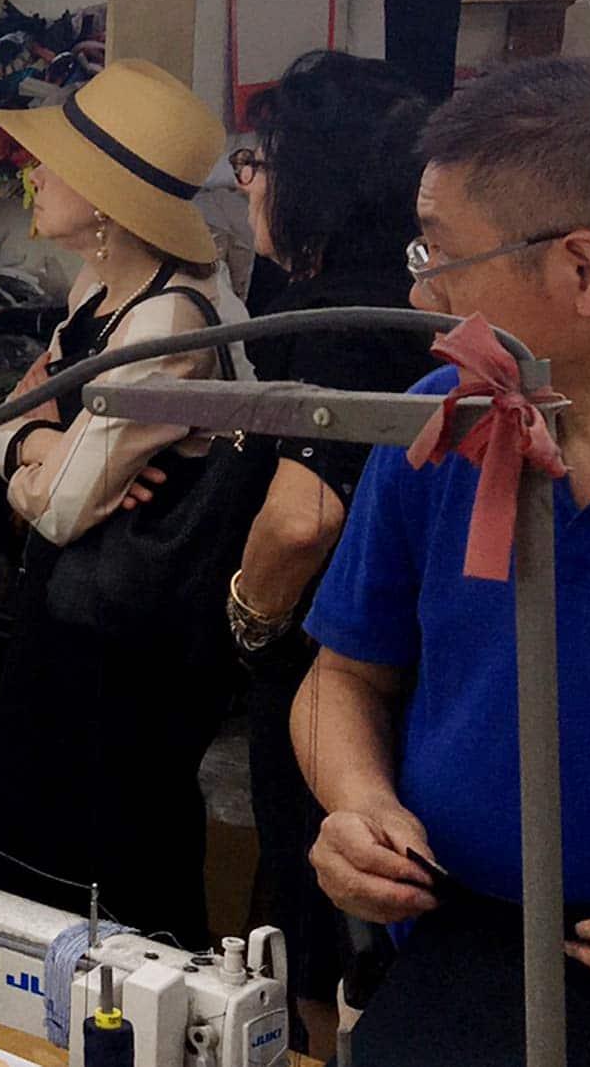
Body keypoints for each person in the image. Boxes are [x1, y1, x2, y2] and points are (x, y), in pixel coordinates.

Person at [296, 59, 590, 1050]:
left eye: (439, 252)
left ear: (584, 269)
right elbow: (342, 676)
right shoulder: (446, 427)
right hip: (464, 968)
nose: (417, 288)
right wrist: (360, 802)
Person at [0, 57, 246, 945]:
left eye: (54, 166)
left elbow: (59, 509)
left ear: (105, 195)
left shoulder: (172, 320)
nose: (34, 176)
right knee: (31, 839)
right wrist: (41, 442)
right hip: (68, 617)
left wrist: (34, 449)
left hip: (125, 648)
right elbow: (3, 417)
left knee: (109, 860)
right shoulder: (98, 292)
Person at [198, 53, 429, 1057]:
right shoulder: (399, 289)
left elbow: (304, 517)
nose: (247, 179)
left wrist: (247, 612)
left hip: (335, 663)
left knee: (322, 920)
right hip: (395, 659)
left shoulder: (346, 308)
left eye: (258, 159)